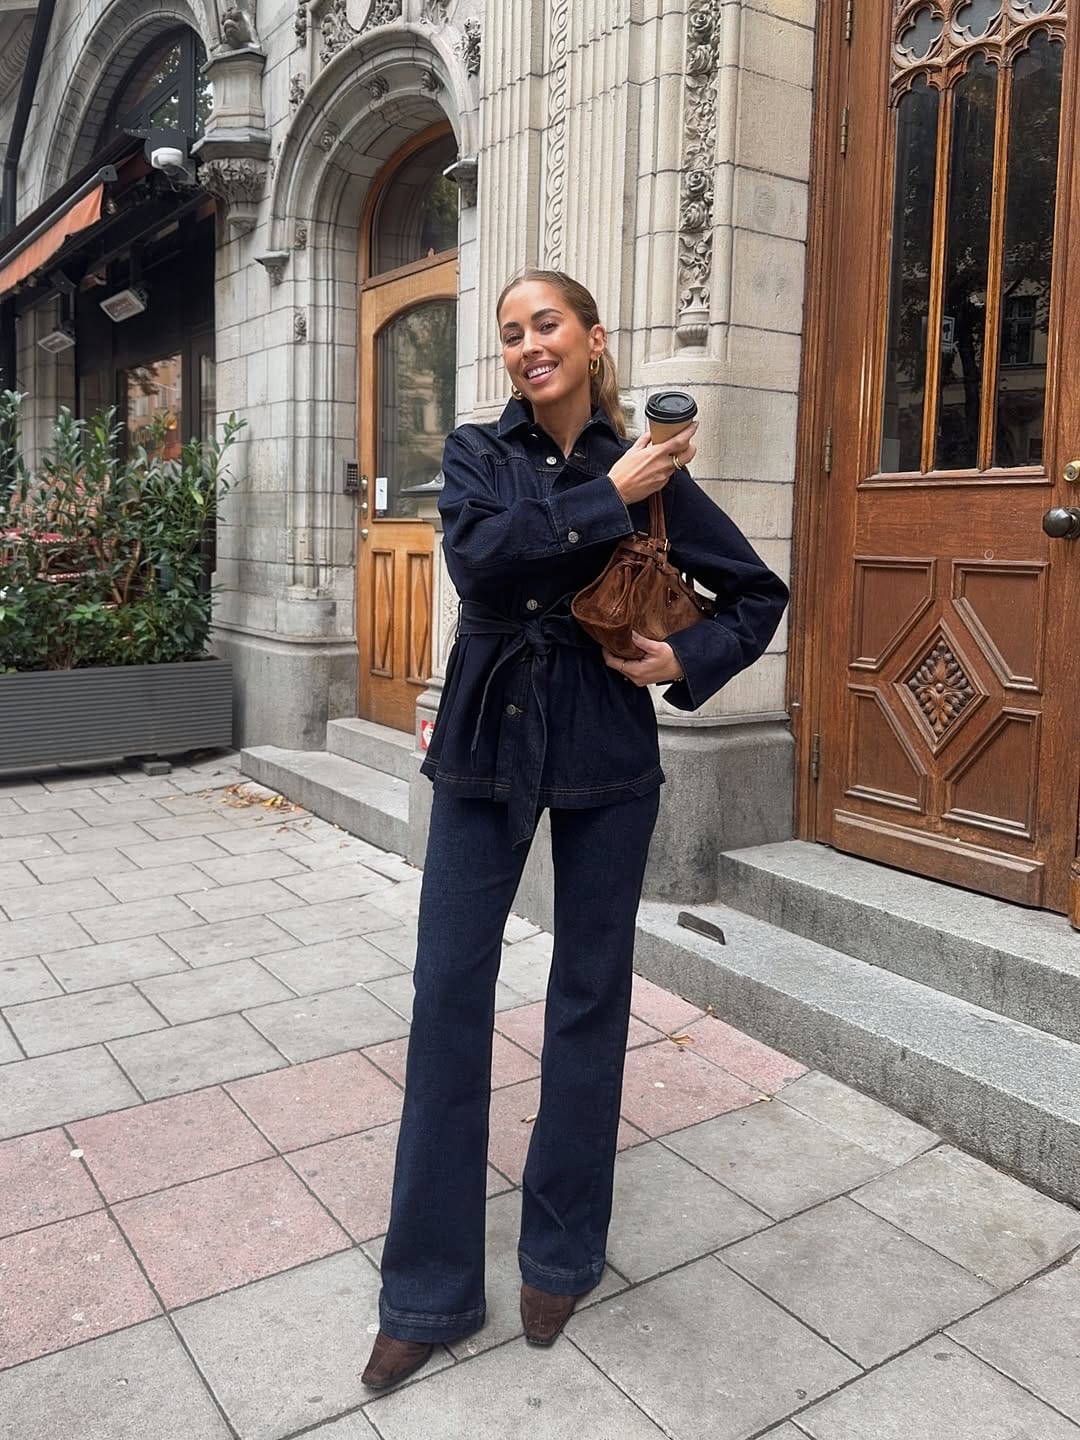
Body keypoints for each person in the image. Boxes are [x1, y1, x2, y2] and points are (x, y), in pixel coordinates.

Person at [362, 269, 789, 1390]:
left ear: (594, 339)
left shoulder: (659, 478)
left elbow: (757, 595)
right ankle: (429, 1287)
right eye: (510, 333)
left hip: (605, 741)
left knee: (590, 997)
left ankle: (562, 1254)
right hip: (483, 742)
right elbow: (481, 559)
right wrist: (611, 491)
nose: (526, 345)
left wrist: (682, 660)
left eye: (545, 324)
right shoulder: (475, 452)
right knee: (449, 993)